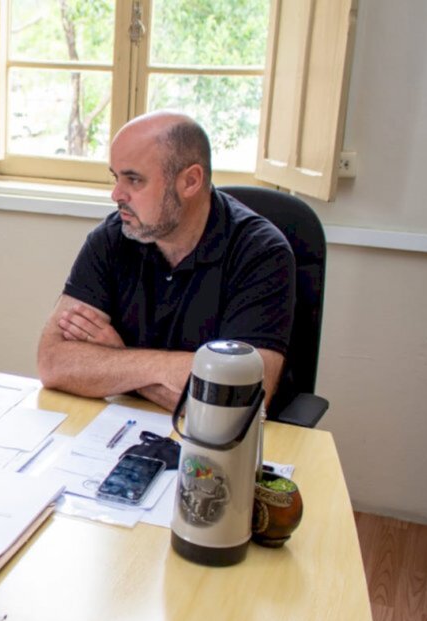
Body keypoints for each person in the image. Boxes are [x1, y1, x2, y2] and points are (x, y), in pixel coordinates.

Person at [37, 111, 295, 411]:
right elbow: (53, 363)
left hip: (227, 448)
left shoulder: (260, 252)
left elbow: (238, 403)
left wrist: (118, 358)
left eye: (134, 179)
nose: (116, 194)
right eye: (115, 177)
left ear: (190, 181)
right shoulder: (112, 237)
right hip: (126, 424)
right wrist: (167, 373)